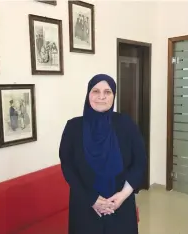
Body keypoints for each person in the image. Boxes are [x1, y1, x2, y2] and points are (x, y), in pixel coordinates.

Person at [59, 74, 146, 234]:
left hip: (120, 204)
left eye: (107, 92)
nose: (101, 97)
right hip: (85, 205)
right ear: (88, 95)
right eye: (95, 91)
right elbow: (67, 166)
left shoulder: (126, 124)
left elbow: (139, 161)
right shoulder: (73, 127)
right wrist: (91, 199)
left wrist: (122, 196)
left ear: (113, 96)